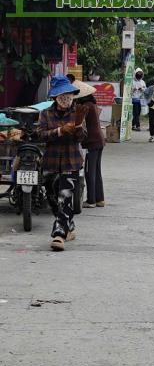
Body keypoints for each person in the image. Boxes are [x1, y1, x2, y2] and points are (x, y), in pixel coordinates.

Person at [38, 75, 87, 252]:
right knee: (52, 198)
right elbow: (41, 135)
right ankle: (69, 226)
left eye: (68, 95)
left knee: (65, 198)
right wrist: (59, 130)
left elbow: (82, 138)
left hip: (71, 161)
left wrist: (78, 127)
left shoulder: (78, 112)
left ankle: (59, 234)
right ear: (55, 97)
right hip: (50, 161)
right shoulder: (46, 114)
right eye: (62, 95)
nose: (66, 98)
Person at [74, 80, 105, 208]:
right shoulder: (92, 104)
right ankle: (100, 199)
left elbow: (79, 124)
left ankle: (91, 200)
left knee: (89, 171)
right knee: (96, 170)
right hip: (99, 141)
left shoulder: (85, 106)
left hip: (92, 142)